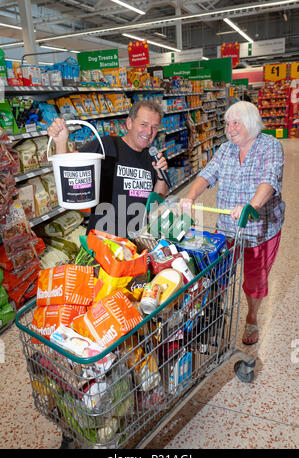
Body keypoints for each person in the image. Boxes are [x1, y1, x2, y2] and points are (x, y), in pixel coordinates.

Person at [180, 101, 285, 345]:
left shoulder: (270, 146)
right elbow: (207, 174)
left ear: (250, 123)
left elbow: (269, 180)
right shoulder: (226, 150)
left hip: (261, 229)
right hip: (227, 227)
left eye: (235, 122)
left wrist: (253, 206)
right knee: (218, 271)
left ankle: (251, 317)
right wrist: (189, 196)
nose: (230, 128)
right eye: (228, 123)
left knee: (254, 278)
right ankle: (216, 312)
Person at [47, 100, 168, 237]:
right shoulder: (107, 145)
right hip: (102, 240)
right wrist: (61, 141)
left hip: (136, 241)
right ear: (129, 123)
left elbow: (157, 204)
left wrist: (160, 176)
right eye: (144, 124)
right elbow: (69, 169)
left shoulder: (153, 156)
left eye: (154, 127)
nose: (149, 132)